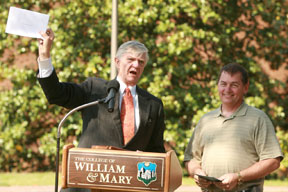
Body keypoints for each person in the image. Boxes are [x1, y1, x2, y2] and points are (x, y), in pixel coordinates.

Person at [37, 29, 166, 192]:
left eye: (141, 62)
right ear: (117, 61)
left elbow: (157, 151)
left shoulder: (154, 104)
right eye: (131, 59)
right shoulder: (95, 89)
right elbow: (57, 94)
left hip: (129, 187)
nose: (136, 65)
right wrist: (44, 56)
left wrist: (147, 158)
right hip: (86, 185)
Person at [184, 63, 283, 192]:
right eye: (223, 84)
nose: (227, 90)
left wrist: (238, 177)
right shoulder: (206, 120)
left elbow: (273, 161)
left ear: (245, 88)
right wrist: (197, 172)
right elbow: (191, 158)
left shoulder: (258, 119)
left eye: (234, 85)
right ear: (218, 86)